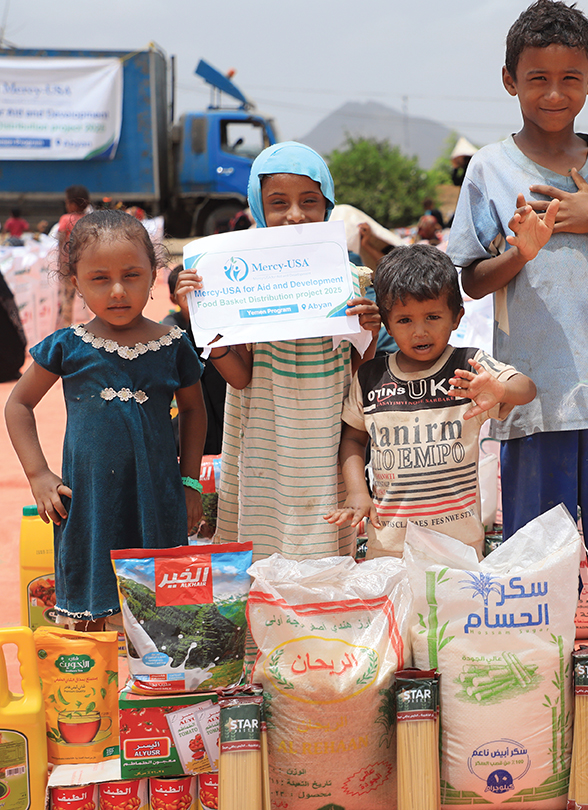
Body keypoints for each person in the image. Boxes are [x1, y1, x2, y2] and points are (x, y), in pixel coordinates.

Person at [447, 0, 588, 591]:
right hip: (529, 391)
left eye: (570, 78)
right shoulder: (489, 169)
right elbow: (468, 280)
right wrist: (522, 252)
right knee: (535, 561)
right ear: (509, 80)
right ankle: (539, 670)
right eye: (537, 78)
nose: (553, 93)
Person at [175, 142, 382, 563]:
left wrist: (370, 329)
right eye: (278, 203)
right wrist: (208, 324)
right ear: (257, 206)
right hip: (263, 434)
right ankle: (264, 630)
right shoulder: (235, 278)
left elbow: (359, 366)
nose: (295, 214)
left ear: (328, 204)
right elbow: (242, 377)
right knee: (262, 538)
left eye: (310, 201)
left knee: (320, 536)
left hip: (326, 435)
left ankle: (314, 628)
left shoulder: (350, 278)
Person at [4, 210, 207, 629]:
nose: (118, 291)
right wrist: (38, 473)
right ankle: (99, 685)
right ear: (74, 282)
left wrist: (188, 482)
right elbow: (18, 406)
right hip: (89, 501)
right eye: (100, 278)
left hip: (158, 497)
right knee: (91, 614)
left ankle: (159, 684)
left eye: (131, 275)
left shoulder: (173, 345)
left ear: (153, 275)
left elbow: (193, 411)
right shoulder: (67, 347)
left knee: (161, 612)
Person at [324, 244, 536, 558]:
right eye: (405, 320)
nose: (420, 331)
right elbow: (353, 438)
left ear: (456, 317)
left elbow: (526, 388)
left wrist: (499, 389)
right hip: (389, 549)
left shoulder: (469, 368)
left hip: (458, 550)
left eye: (433, 316)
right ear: (385, 322)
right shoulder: (371, 377)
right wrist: (358, 492)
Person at [163, 264, 226, 457]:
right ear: (174, 298)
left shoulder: (222, 322)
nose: (195, 296)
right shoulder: (169, 329)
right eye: (187, 294)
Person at [56, 185, 93, 329]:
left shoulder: (65, 219)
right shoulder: (90, 220)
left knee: (68, 298)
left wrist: (60, 262)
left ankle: (67, 327)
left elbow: (60, 241)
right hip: (88, 264)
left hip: (69, 265)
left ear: (71, 204)